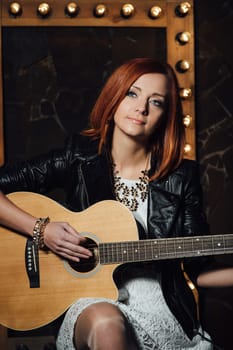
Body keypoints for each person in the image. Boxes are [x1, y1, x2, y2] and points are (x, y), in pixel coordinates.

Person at [0, 57, 233, 350]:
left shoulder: (182, 177)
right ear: (114, 97)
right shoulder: (77, 159)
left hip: (160, 306)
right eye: (132, 93)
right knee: (106, 323)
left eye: (157, 101)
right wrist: (40, 229)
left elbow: (200, 269)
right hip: (91, 303)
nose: (142, 108)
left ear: (166, 115)